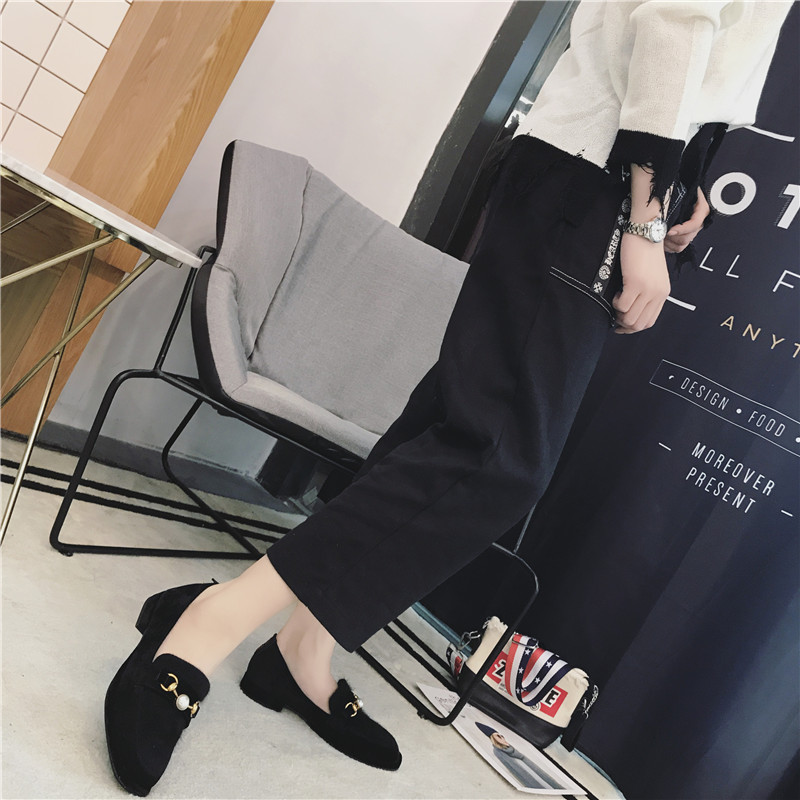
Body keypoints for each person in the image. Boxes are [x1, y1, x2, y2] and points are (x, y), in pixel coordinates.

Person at [102, 1, 792, 795]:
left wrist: (681, 180)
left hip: (596, 170)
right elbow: (673, 20)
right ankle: (208, 621)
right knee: (497, 457)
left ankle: (304, 644)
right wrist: (644, 219)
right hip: (596, 180)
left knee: (450, 421)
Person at [474, 724, 557, 790]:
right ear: (493, 738)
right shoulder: (498, 751)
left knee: (544, 779)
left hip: (528, 766)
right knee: (539, 782)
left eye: (501, 736)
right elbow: (512, 767)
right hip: (524, 771)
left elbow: (520, 756)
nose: (502, 738)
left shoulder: (509, 747)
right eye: (498, 736)